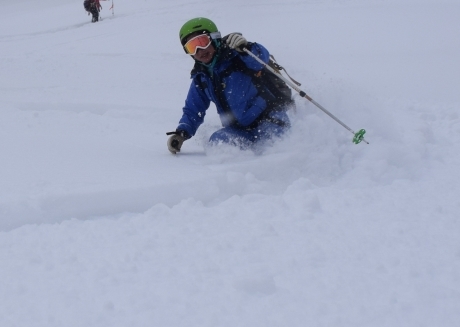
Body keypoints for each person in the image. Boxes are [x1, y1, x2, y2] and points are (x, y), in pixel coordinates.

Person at [166, 17, 294, 154]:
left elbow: (260, 60)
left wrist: (246, 48)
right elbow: (193, 109)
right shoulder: (201, 77)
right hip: (239, 131)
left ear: (214, 38)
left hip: (270, 120)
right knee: (218, 143)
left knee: (274, 151)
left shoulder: (237, 56)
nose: (199, 50)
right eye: (192, 47)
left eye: (202, 42)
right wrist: (182, 133)